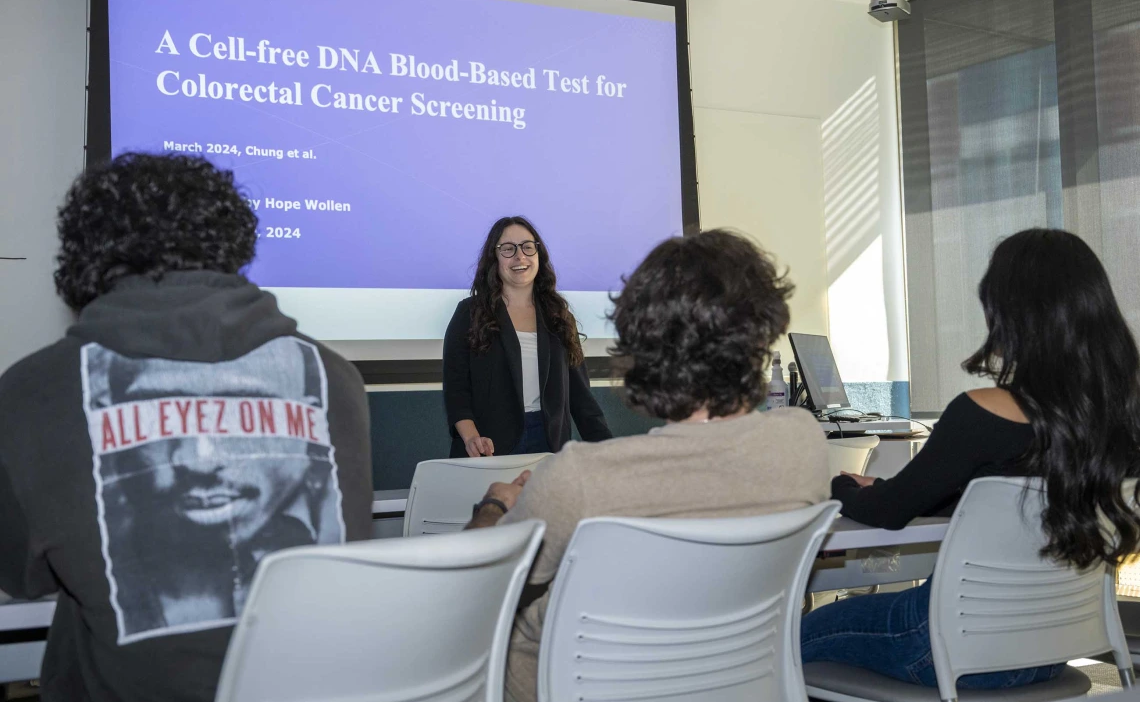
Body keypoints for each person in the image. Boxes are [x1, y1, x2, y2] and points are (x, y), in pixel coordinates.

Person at [0, 153, 373, 702]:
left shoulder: (34, 390)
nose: (204, 462)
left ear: (87, 258)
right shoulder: (334, 376)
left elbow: (21, 578)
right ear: (230, 245)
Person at [464, 229, 832, 702]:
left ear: (640, 348)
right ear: (760, 331)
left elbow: (475, 586)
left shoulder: (580, 477)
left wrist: (495, 503)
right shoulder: (802, 442)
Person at [801, 228, 1140, 689]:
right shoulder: (1122, 419)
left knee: (777, 638)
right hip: (1055, 650)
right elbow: (990, 504)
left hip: (938, 643)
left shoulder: (981, 412)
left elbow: (888, 513)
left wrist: (843, 489)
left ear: (1011, 315)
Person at [443, 216, 611, 457]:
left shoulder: (559, 317)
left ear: (538, 254)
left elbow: (582, 398)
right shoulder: (470, 313)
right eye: (508, 249)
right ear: (494, 258)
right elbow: (456, 389)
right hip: (487, 445)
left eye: (527, 247)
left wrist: (608, 450)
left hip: (549, 443)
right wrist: (472, 438)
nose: (520, 256)